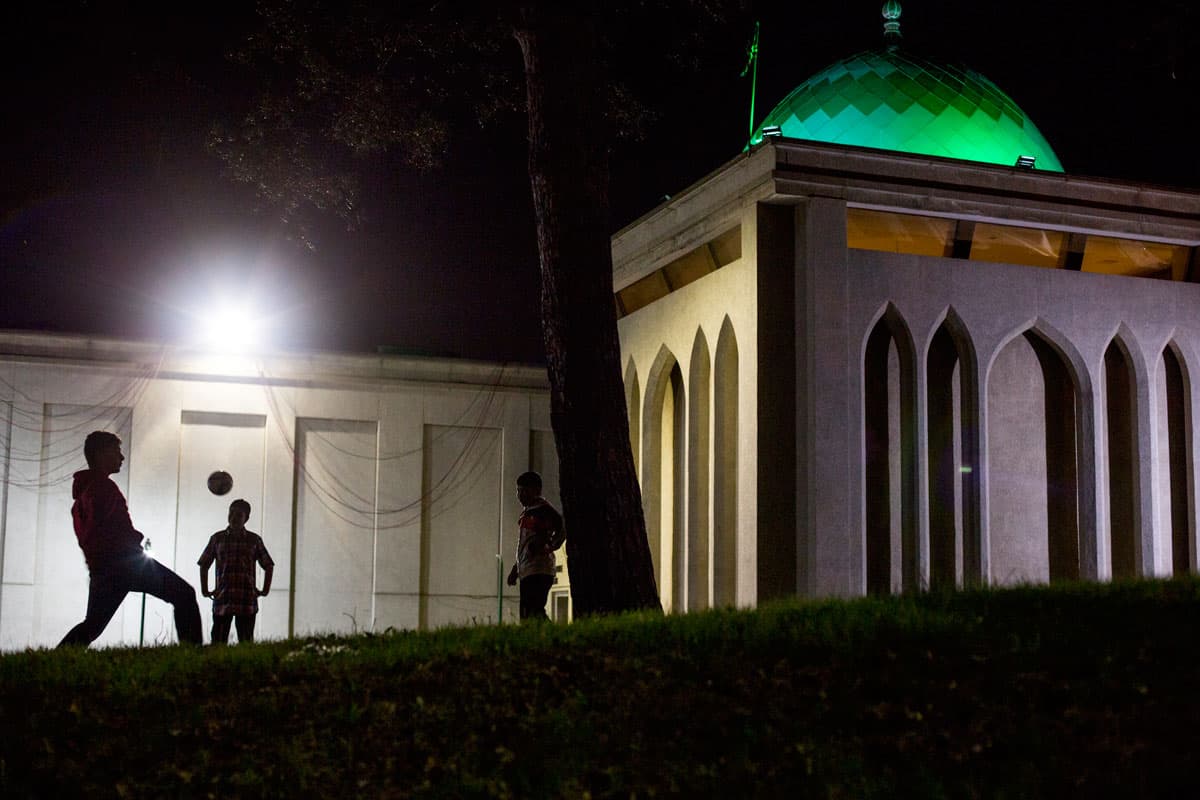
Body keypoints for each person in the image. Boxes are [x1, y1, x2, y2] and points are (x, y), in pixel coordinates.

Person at [59, 431, 202, 647]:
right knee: (184, 594)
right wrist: (132, 543)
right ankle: (193, 654)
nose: (122, 457)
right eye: (116, 452)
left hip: (102, 569)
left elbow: (91, 535)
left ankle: (58, 656)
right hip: (125, 563)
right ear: (101, 454)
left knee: (92, 625)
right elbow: (108, 529)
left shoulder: (82, 497)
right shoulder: (103, 488)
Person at [197, 498, 274, 644]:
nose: (233, 517)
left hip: (245, 599)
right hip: (224, 598)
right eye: (231, 513)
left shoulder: (254, 540)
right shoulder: (217, 539)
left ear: (246, 518)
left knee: (245, 641)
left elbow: (268, 565)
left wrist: (265, 589)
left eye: (238, 515)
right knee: (218, 641)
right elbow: (204, 564)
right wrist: (204, 589)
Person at [506, 471, 565, 621]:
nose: (520, 495)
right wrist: (516, 568)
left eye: (525, 490)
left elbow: (561, 529)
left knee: (534, 611)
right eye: (518, 491)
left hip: (539, 569)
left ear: (537, 490)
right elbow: (525, 545)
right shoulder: (526, 514)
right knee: (527, 613)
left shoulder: (544, 510)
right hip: (527, 570)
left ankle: (550, 639)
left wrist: (548, 546)